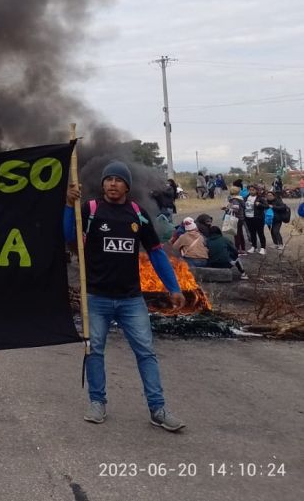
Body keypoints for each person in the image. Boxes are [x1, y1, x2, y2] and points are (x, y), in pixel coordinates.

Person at [65, 159, 185, 432]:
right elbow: (67, 235)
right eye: (109, 179)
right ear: (103, 184)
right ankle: (97, 402)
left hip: (131, 299)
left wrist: (173, 287)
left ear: (127, 186)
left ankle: (158, 409)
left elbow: (155, 252)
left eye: (118, 180)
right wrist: (67, 205)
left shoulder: (137, 214)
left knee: (146, 352)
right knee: (94, 351)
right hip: (96, 297)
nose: (112, 184)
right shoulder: (90, 210)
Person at [243, 183, 266, 255]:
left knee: (260, 233)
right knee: (252, 233)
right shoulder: (246, 197)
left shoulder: (260, 198)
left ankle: (263, 248)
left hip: (258, 218)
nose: (251, 191)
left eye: (253, 190)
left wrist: (260, 204)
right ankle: (254, 247)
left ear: (256, 190)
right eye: (250, 190)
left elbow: (266, 206)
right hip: (248, 218)